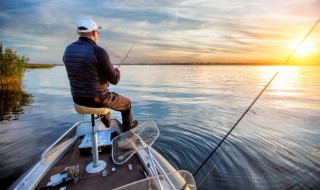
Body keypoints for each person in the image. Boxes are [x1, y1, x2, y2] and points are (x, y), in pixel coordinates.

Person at [63, 18, 138, 132]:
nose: (97, 34)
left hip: (77, 100)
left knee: (104, 95)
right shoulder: (98, 51)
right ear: (94, 32)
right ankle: (127, 131)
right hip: (97, 100)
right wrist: (117, 71)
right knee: (126, 103)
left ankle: (106, 121)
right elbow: (114, 80)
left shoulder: (68, 49)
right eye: (97, 32)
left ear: (79, 33)